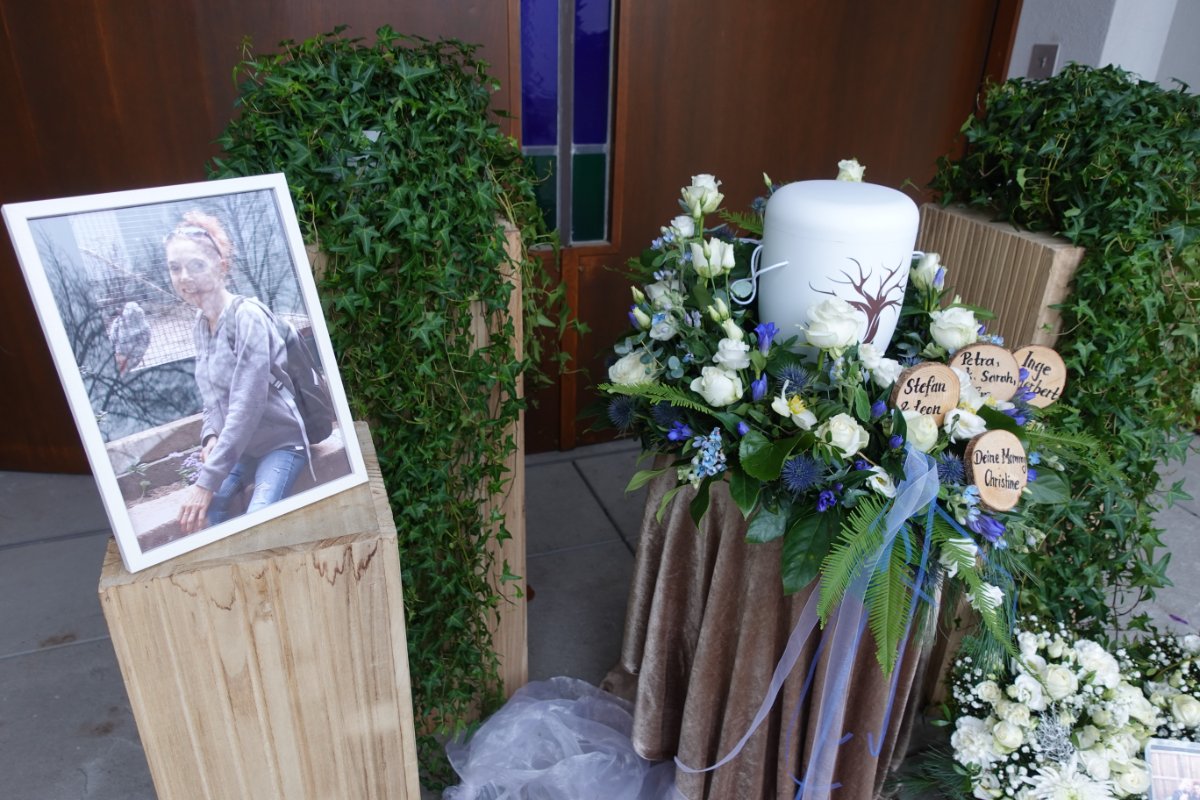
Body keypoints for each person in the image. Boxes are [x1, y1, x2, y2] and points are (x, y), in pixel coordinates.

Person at [166, 211, 308, 535]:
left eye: (196, 265)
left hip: (281, 443)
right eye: (175, 268)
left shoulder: (247, 318)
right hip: (241, 450)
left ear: (222, 266)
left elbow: (247, 404)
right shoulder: (201, 326)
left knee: (257, 523)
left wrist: (205, 482)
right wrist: (210, 436)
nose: (184, 277)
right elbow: (212, 397)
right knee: (205, 520)